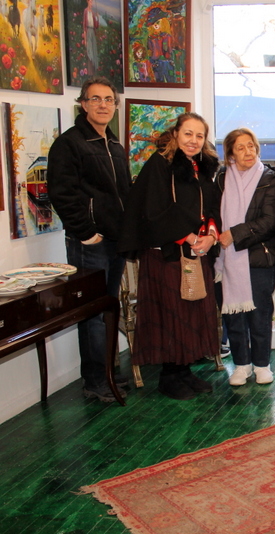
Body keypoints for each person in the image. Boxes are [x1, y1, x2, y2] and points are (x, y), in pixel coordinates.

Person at [118, 112, 221, 401]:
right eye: (188, 134)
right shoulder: (159, 165)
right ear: (175, 134)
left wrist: (211, 236)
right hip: (167, 255)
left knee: (190, 313)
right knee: (170, 313)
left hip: (195, 253)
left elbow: (211, 207)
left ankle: (184, 371)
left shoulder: (201, 167)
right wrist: (188, 237)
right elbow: (154, 210)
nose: (193, 140)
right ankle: (169, 376)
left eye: (199, 135)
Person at [47, 76, 131, 403]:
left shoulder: (114, 146)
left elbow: (123, 194)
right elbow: (61, 193)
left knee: (108, 310)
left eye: (108, 99)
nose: (102, 105)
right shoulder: (69, 144)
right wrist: (86, 233)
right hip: (90, 244)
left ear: (115, 105)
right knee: (92, 314)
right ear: (83, 104)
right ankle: (95, 381)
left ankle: (108, 371)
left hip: (115, 242)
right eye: (95, 99)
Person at [214, 128, 275, 386]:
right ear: (231, 153)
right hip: (227, 259)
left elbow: (270, 221)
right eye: (240, 148)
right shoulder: (221, 178)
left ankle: (262, 364)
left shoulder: (268, 178)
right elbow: (212, 214)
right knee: (234, 315)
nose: (248, 152)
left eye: (251, 145)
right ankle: (241, 365)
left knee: (260, 314)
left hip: (260, 257)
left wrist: (234, 234)